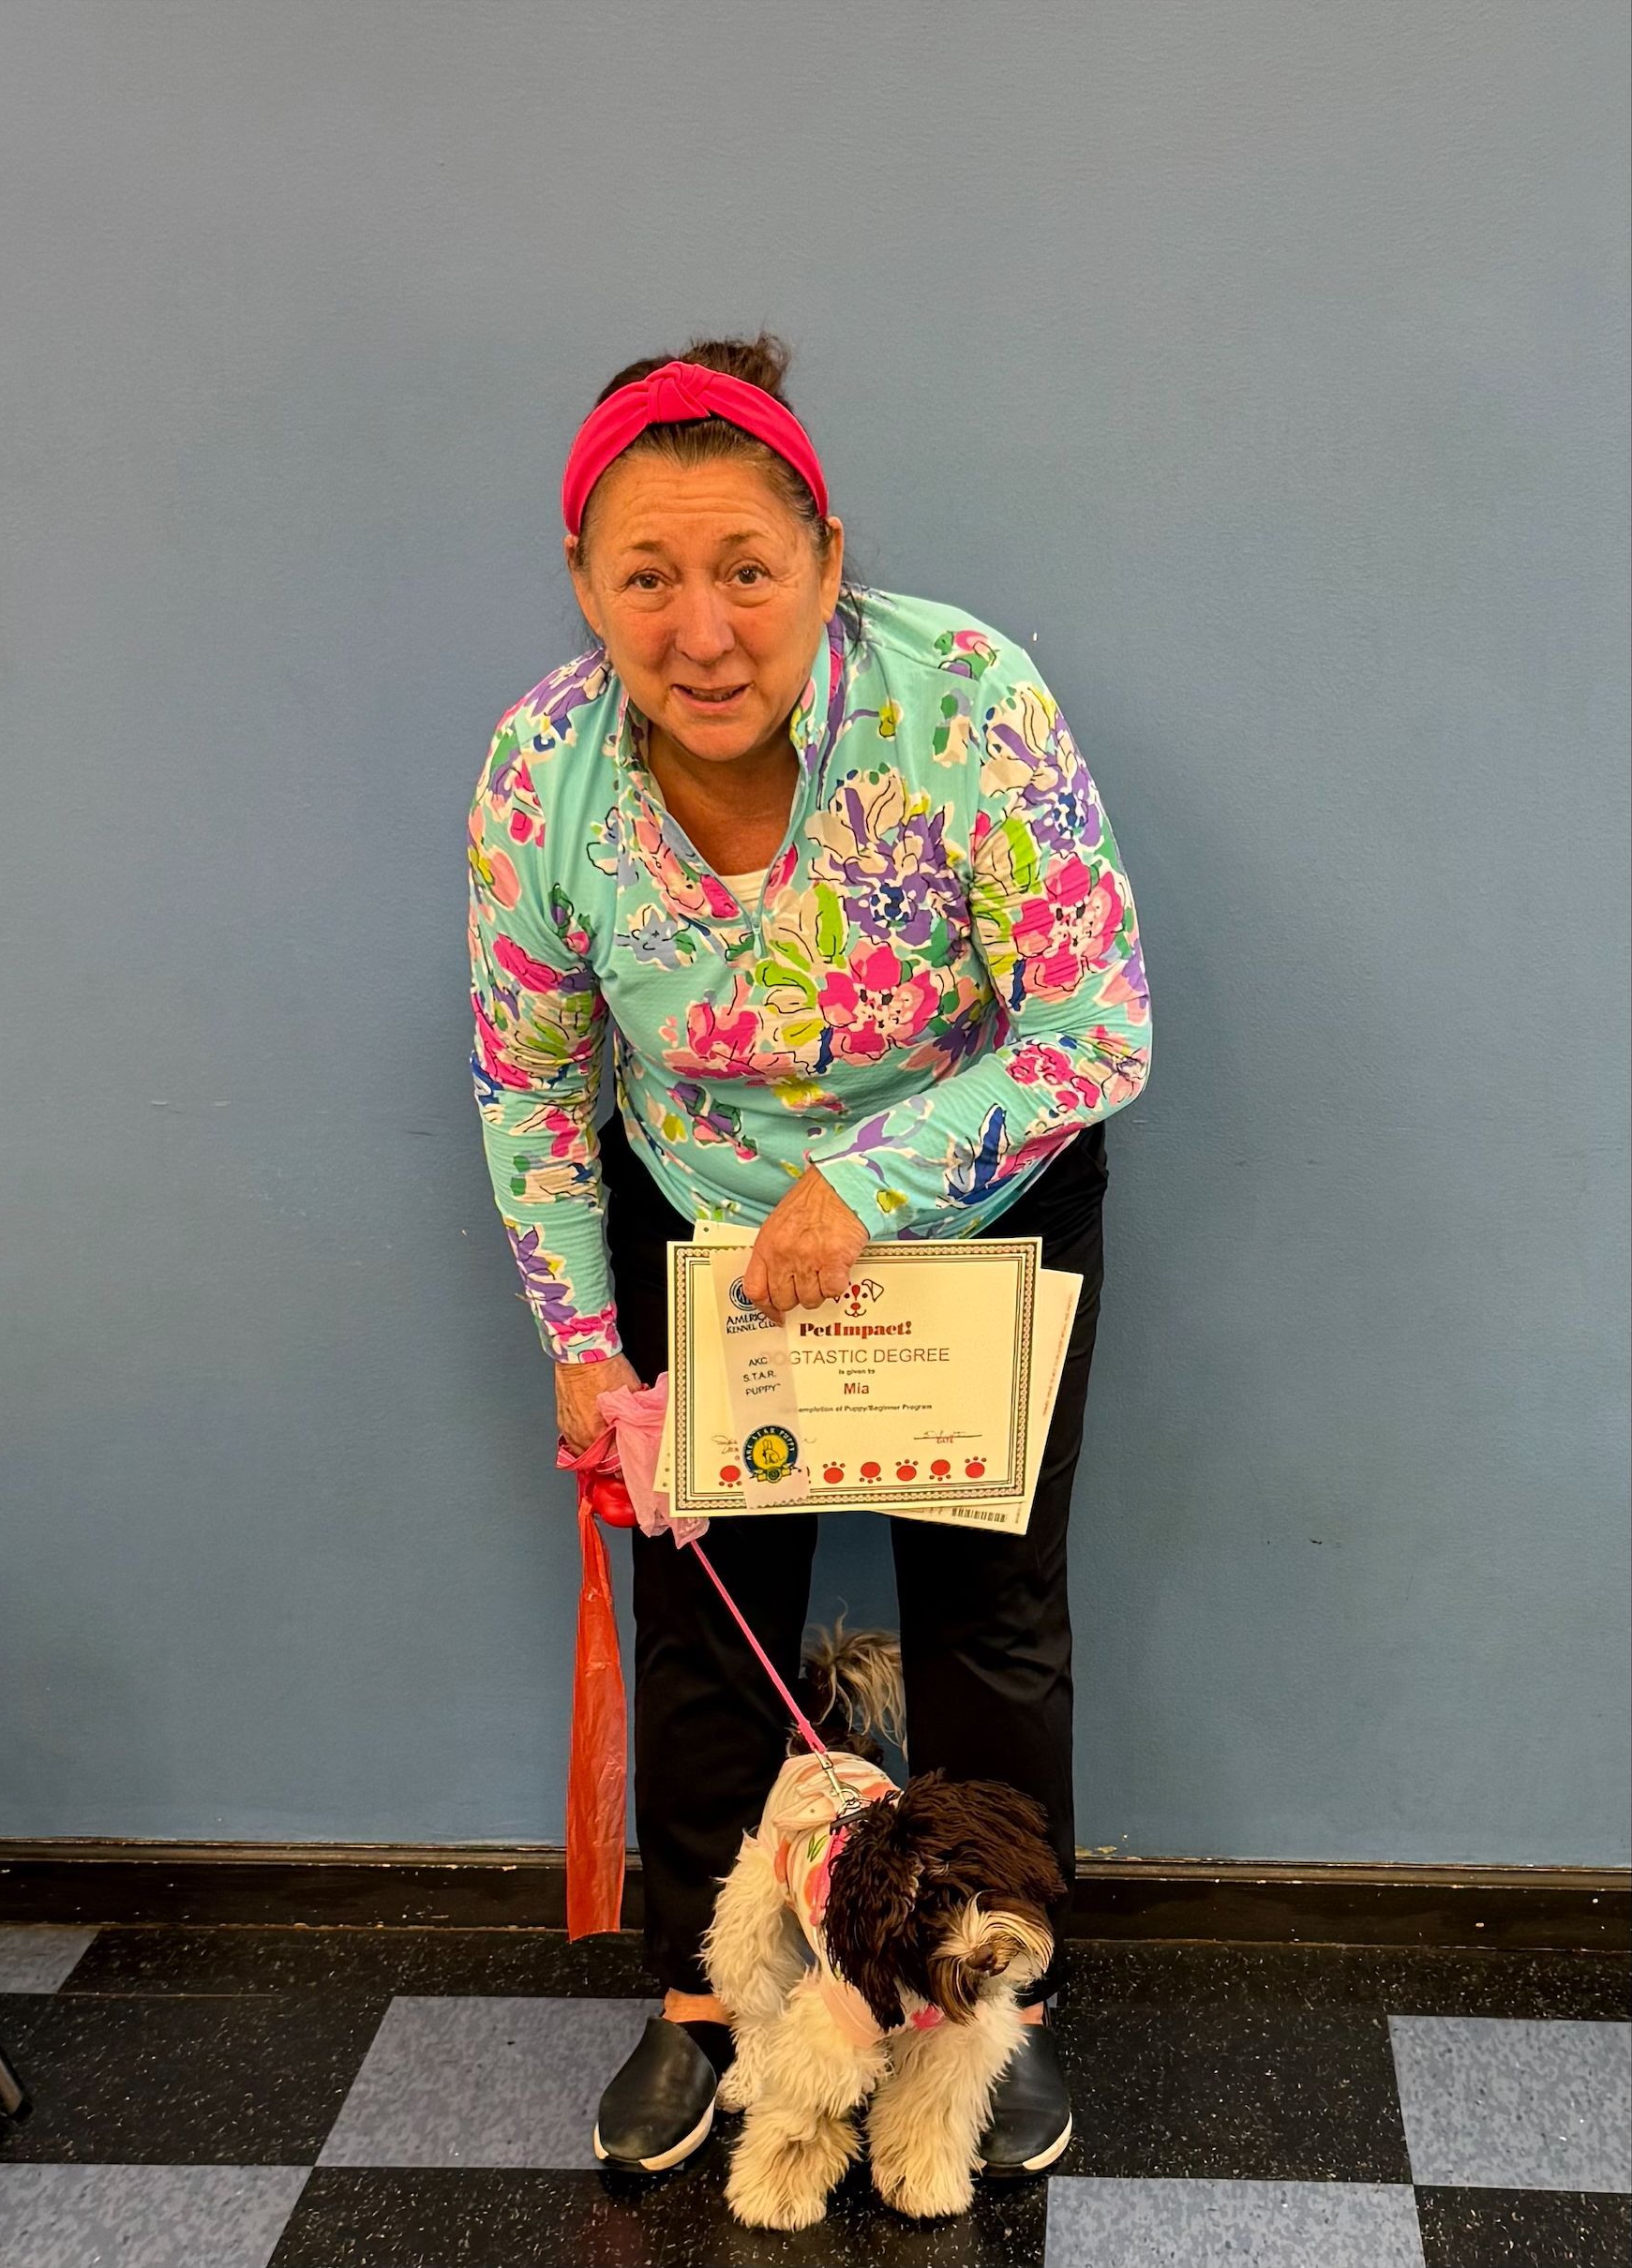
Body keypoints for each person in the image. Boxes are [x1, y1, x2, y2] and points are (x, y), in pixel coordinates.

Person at [468, 333, 1151, 2178]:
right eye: (647, 575)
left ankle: (984, 1996)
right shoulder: (541, 775)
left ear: (826, 563)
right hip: (692, 1233)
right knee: (709, 1630)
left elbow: (1094, 1026)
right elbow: (529, 1078)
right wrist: (577, 1338)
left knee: (988, 1623)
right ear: (586, 587)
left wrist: (869, 1183)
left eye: (746, 569)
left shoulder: (964, 700)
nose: (702, 627)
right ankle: (708, 2000)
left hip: (972, 1219)